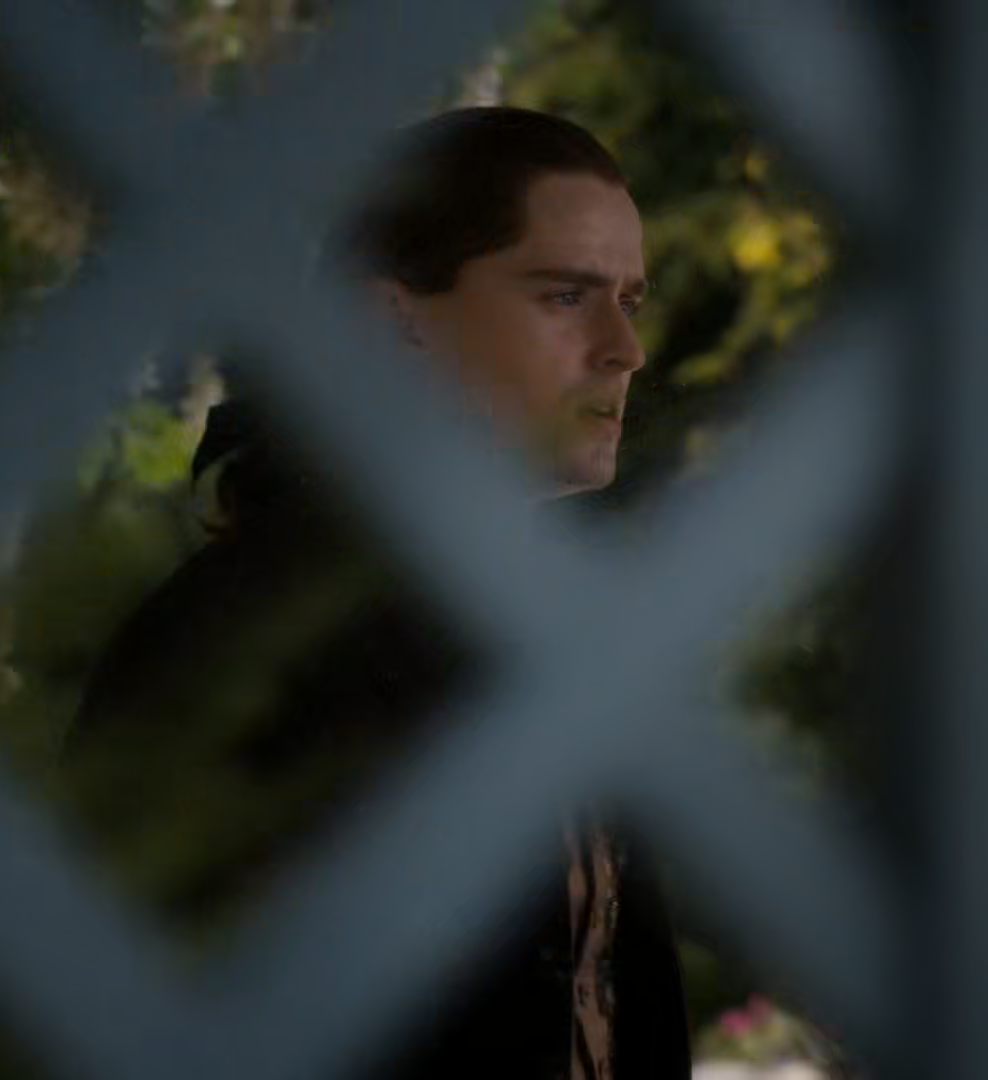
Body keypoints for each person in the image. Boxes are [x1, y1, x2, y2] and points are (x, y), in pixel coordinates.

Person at [61, 106, 689, 1080]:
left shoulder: (550, 632)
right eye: (565, 295)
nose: (623, 348)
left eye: (630, 301)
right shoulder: (231, 643)